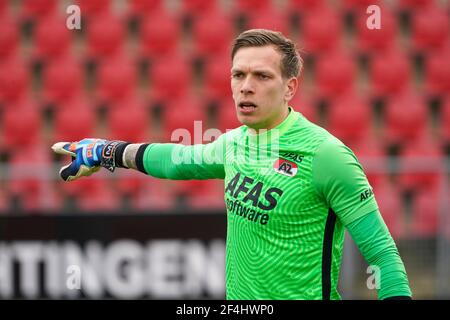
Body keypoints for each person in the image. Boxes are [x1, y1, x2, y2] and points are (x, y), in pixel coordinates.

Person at [52, 29, 412, 300]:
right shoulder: (234, 143)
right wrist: (108, 151)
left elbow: (381, 252)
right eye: (238, 75)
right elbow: (177, 161)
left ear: (290, 87)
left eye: (262, 76)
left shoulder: (325, 155)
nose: (246, 87)